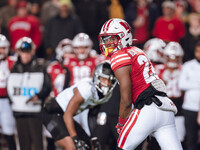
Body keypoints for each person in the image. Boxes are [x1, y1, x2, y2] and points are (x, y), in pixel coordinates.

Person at [98, 18, 182, 150]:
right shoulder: (138, 51)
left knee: (122, 147)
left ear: (123, 37)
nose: (107, 43)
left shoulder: (119, 56)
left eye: (111, 39)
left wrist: (121, 124)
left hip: (147, 109)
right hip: (166, 108)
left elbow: (126, 100)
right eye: (105, 39)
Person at [42, 61, 117, 150]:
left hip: (64, 116)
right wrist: (76, 140)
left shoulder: (107, 95)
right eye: (104, 79)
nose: (107, 83)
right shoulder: (87, 89)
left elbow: (92, 115)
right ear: (97, 77)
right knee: (72, 146)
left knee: (88, 146)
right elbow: (67, 115)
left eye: (110, 80)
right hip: (52, 112)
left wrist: (92, 137)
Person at [7, 37, 51, 150]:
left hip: (35, 111)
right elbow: (9, 88)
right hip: (19, 110)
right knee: (23, 143)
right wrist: (14, 102)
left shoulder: (40, 66)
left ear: (32, 51)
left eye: (27, 52)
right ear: (18, 52)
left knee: (38, 142)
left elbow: (47, 86)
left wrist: (39, 96)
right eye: (22, 52)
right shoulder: (14, 68)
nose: (25, 55)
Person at [155, 41, 186, 147]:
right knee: (159, 138)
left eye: (176, 57)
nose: (173, 60)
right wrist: (163, 79)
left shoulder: (184, 69)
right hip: (161, 104)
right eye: (170, 57)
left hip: (178, 105)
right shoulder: (158, 69)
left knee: (179, 138)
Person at [178, 41, 200, 150]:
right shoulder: (188, 65)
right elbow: (181, 84)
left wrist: (192, 83)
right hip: (190, 107)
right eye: (198, 51)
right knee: (191, 139)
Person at [0, 34, 16, 150]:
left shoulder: (13, 61)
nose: (0, 51)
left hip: (8, 100)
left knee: (9, 131)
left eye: (3, 48)